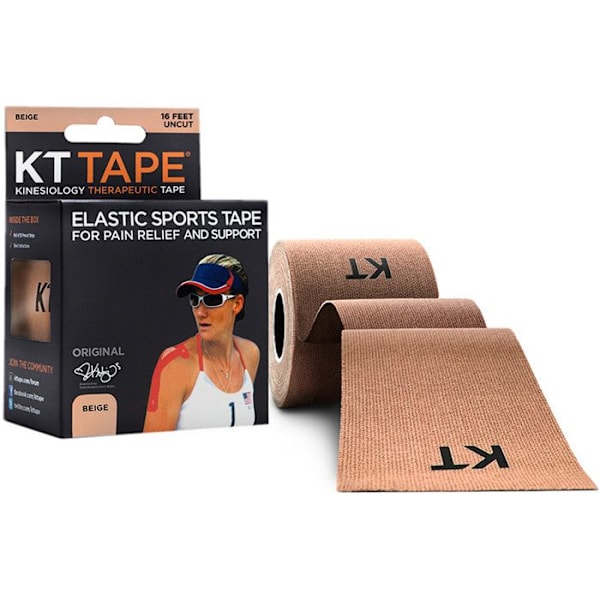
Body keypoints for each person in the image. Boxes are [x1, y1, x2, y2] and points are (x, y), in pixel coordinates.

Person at [143, 254, 259, 431]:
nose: (200, 312)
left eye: (212, 299)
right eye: (195, 300)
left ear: (237, 304)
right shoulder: (175, 365)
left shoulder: (250, 354)